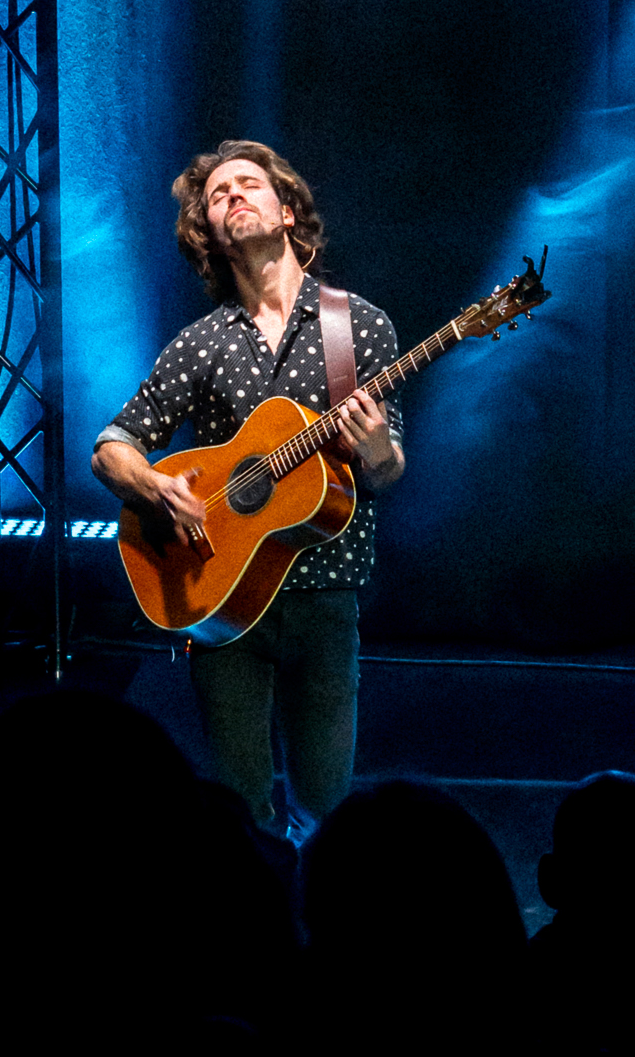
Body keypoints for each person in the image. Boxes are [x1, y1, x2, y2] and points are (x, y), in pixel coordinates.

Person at [92, 140, 405, 841]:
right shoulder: (199, 344)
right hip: (220, 599)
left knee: (324, 813)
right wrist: (153, 486)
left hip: (325, 597)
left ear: (287, 211)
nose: (233, 194)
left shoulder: (358, 326)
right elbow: (111, 446)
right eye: (217, 195)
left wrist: (377, 448)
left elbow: (386, 472)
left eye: (249, 184)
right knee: (236, 816)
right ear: (209, 234)